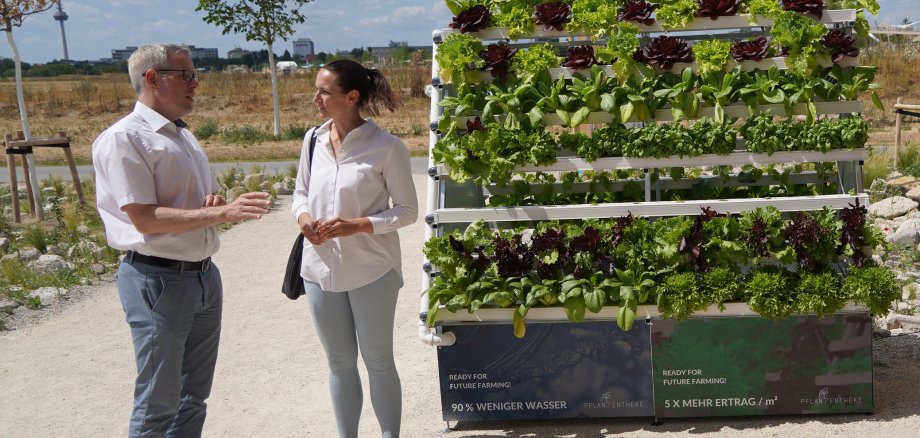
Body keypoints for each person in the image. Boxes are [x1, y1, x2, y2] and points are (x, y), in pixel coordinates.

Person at [92, 43, 271, 438]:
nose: (195, 84)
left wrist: (213, 203)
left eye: (195, 74)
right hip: (159, 280)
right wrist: (219, 214)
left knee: (193, 399)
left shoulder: (182, 136)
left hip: (203, 277)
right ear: (152, 79)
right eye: (185, 75)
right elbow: (143, 218)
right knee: (158, 403)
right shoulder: (125, 139)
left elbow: (196, 201)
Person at [292, 59, 418, 438]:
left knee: (378, 361)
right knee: (339, 362)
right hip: (318, 270)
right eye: (316, 89)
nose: (316, 98)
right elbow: (300, 194)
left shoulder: (387, 148)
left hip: (373, 270)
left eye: (324, 92)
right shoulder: (312, 140)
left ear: (351, 97)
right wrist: (304, 223)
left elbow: (408, 211)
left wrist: (359, 226)